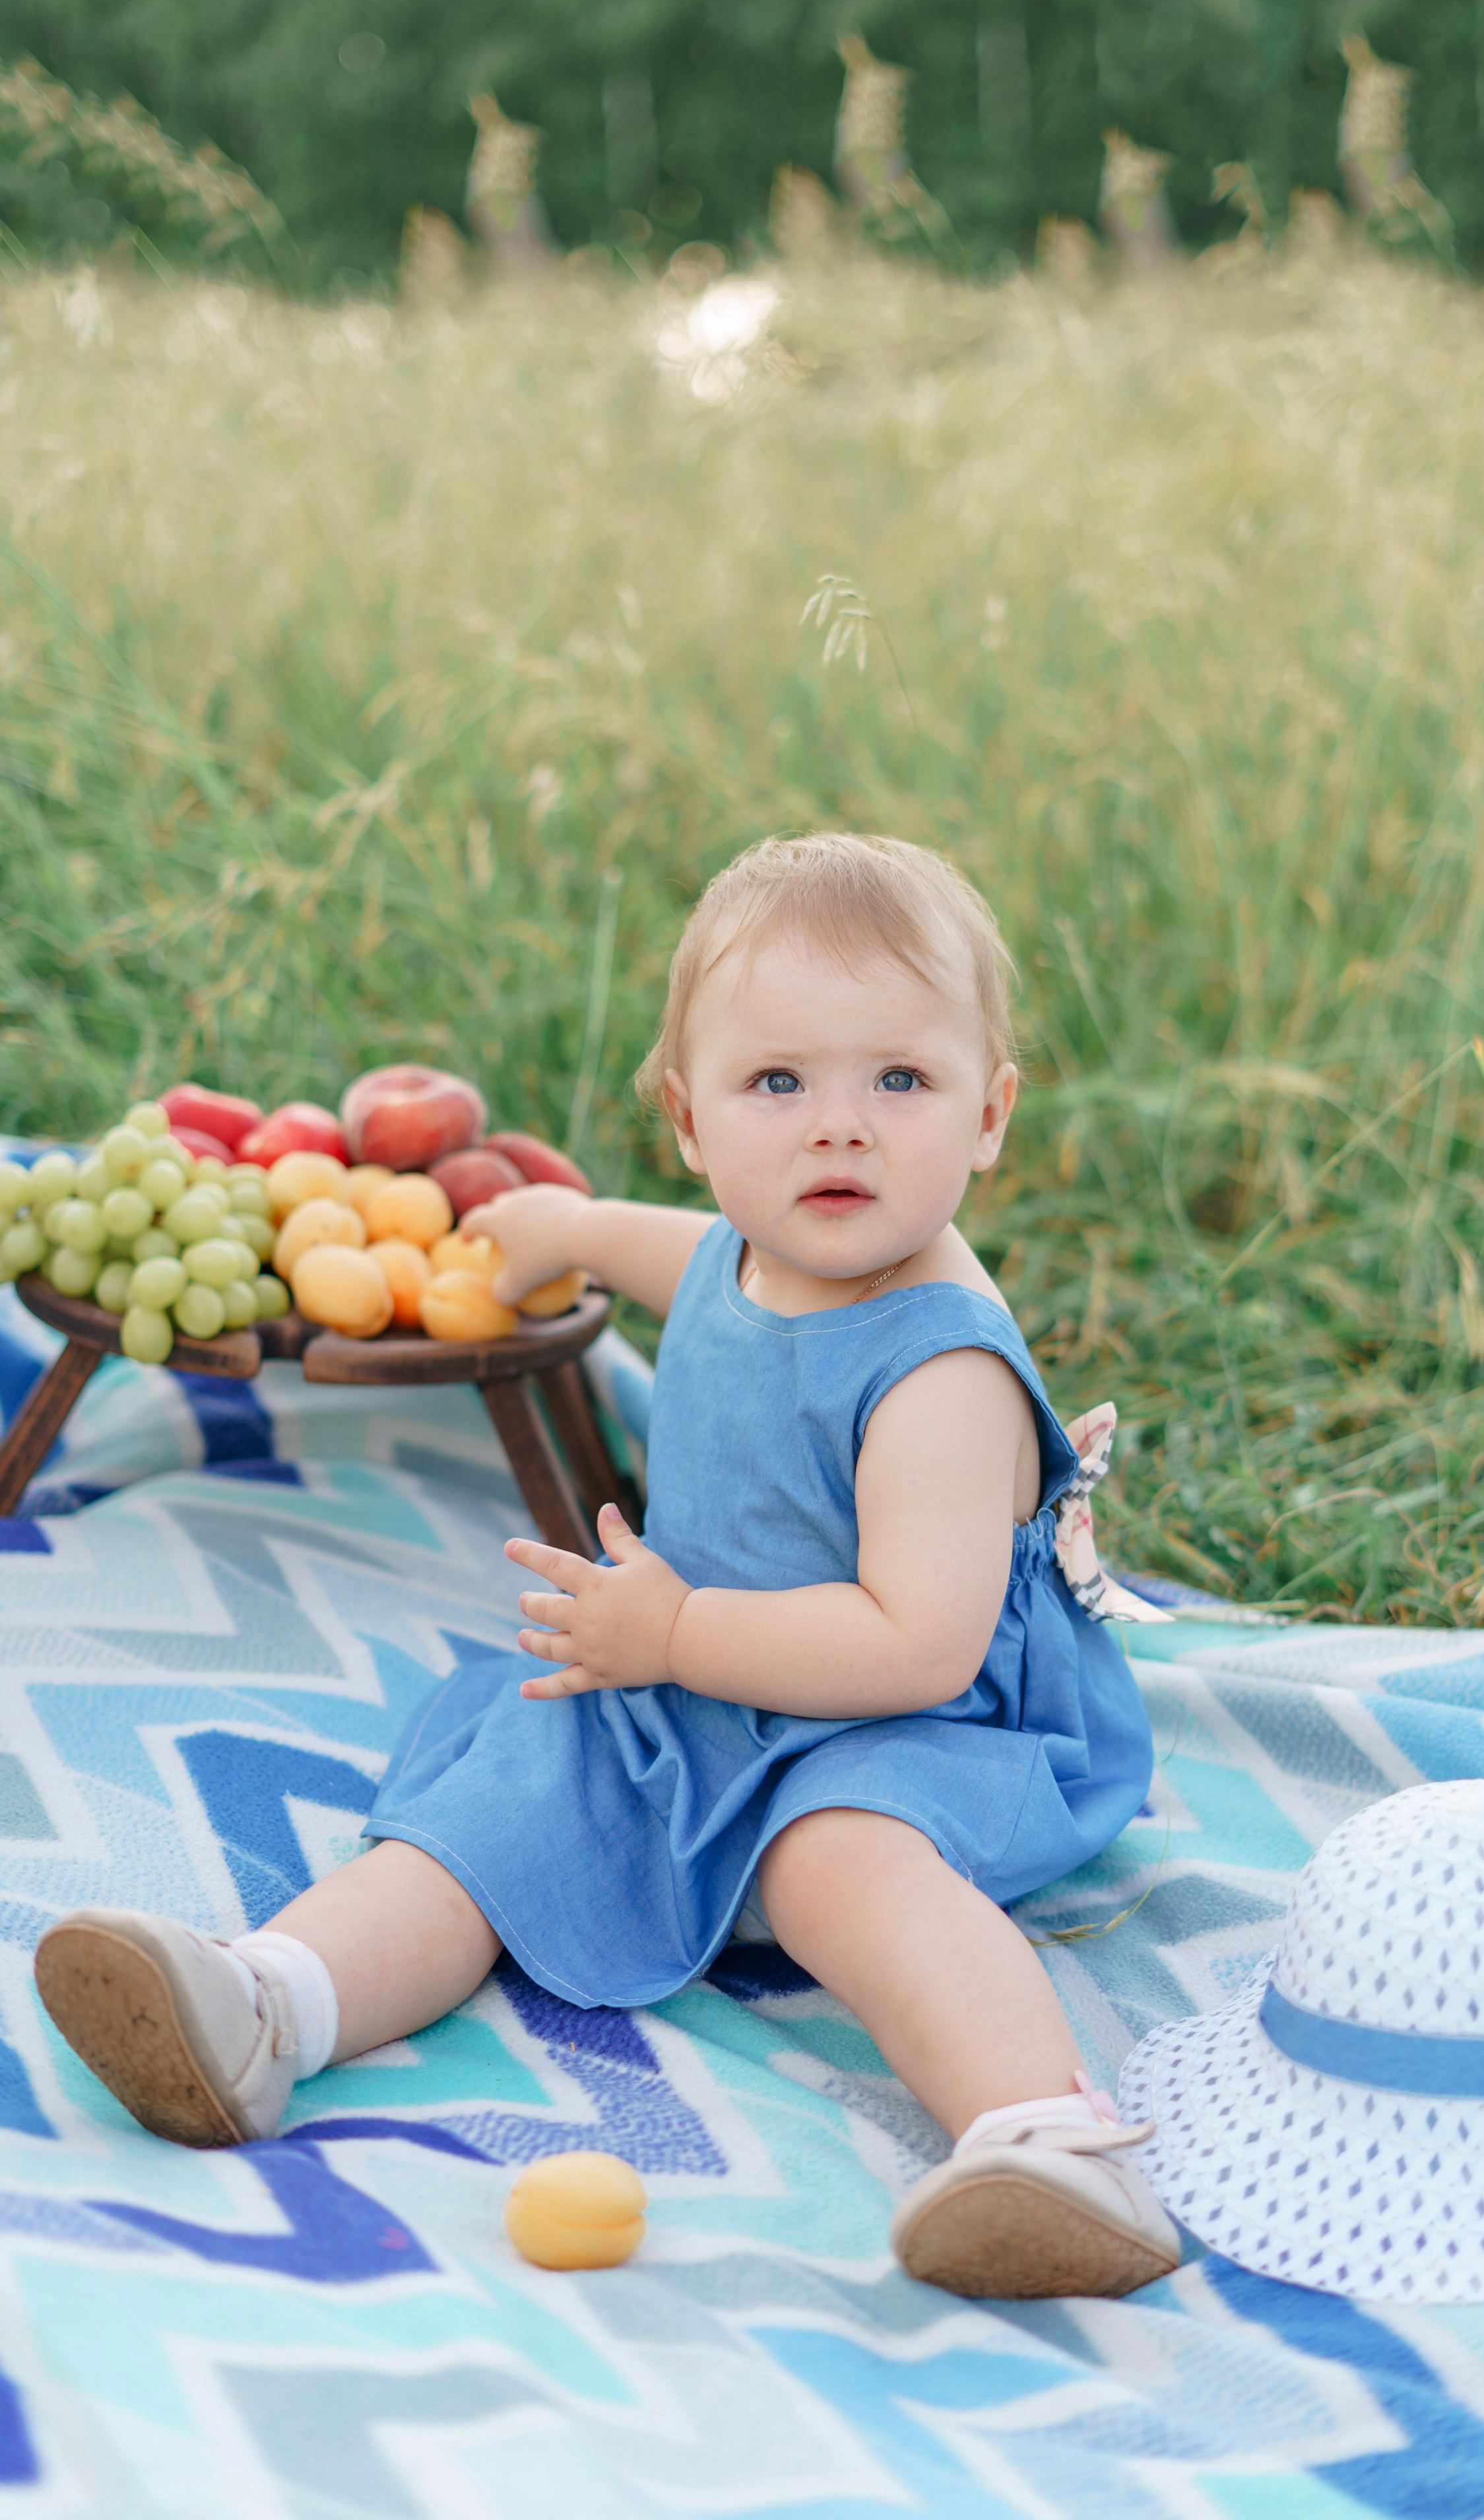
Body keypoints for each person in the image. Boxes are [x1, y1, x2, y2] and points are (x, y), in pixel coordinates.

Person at [35, 834, 1178, 2301]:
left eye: (899, 1080)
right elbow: (682, 1259)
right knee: (496, 1805)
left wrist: (681, 1632)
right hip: (691, 1679)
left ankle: (1048, 2142)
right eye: (779, 1084)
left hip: (909, 1726)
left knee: (846, 1872)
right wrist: (562, 1232)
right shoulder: (755, 1246)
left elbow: (919, 1647)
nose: (840, 1130)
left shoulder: (936, 1369)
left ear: (990, 1114)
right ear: (690, 1119)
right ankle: (274, 2004)